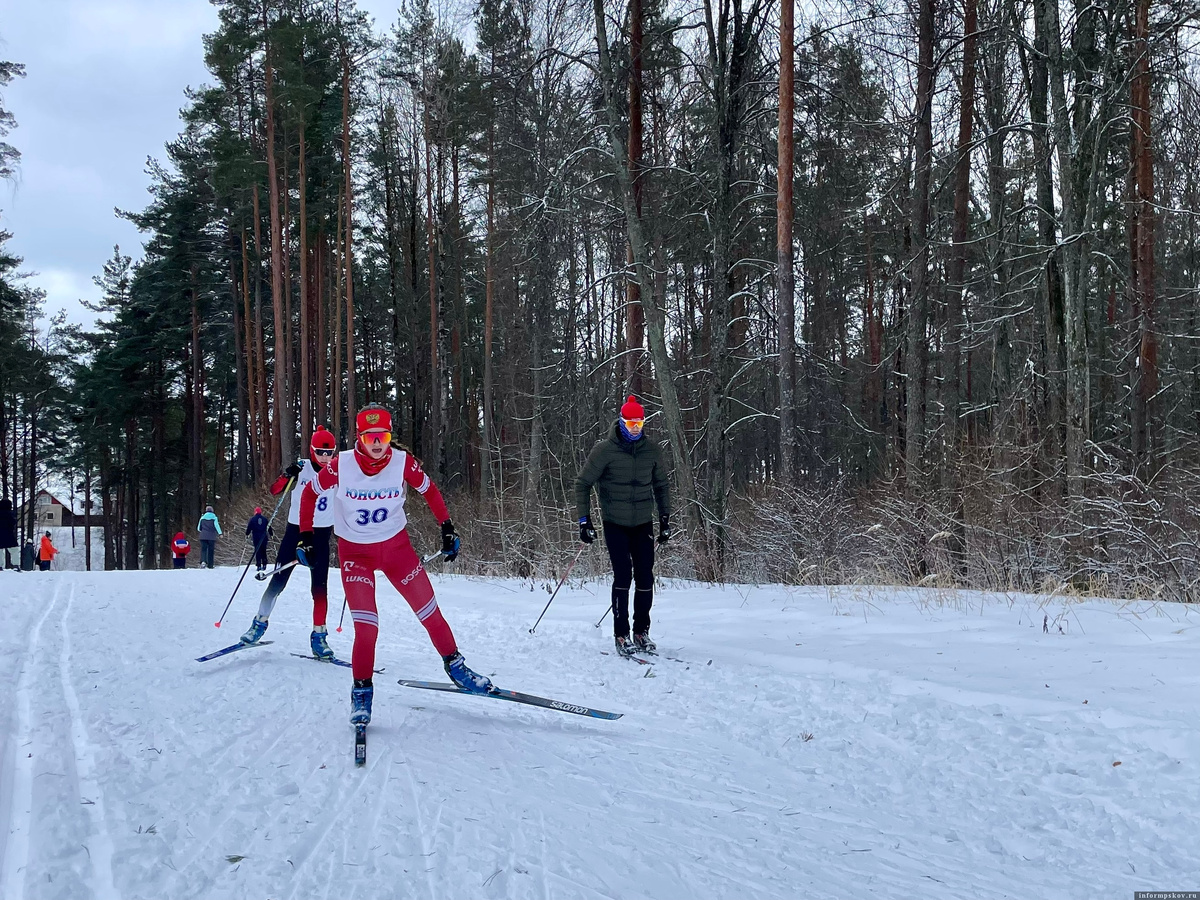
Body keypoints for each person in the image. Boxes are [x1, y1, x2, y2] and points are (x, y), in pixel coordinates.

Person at [298, 405, 490, 726]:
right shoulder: (339, 465)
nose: (377, 443)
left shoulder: (402, 462)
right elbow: (308, 494)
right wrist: (305, 536)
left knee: (430, 612)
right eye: (370, 437)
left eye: (383, 436)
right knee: (368, 628)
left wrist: (447, 527)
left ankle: (456, 666)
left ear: (390, 437)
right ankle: (361, 693)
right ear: (360, 437)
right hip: (355, 555)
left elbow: (430, 491)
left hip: (396, 550)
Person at [574, 395, 671, 656]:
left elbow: (661, 485)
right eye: (631, 424)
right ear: (621, 422)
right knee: (623, 576)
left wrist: (664, 518)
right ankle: (621, 634)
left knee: (645, 577)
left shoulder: (652, 450)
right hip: (615, 522)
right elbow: (582, 484)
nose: (635, 429)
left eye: (640, 424)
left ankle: (642, 631)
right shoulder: (604, 450)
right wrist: (584, 521)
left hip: (642, 522)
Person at [240, 426, 338, 659]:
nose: (325, 457)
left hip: (322, 535)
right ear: (312, 450)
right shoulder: (302, 468)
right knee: (278, 581)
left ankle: (319, 637)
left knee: (320, 588)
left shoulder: (338, 470)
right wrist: (287, 475)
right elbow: (275, 491)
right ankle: (258, 624)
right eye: (320, 452)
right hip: (295, 533)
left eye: (330, 452)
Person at [245, 506, 272, 572]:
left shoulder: (253, 519)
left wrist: (247, 534)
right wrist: (271, 534)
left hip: (256, 536)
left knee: (257, 550)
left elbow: (249, 527)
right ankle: (264, 563)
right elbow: (269, 527)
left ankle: (259, 565)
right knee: (263, 550)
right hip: (264, 537)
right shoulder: (265, 519)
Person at [0, 497, 17, 570]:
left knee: (0, 551)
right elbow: (13, 523)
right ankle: (16, 565)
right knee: (14, 550)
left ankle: (0, 566)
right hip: (9, 534)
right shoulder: (10, 514)